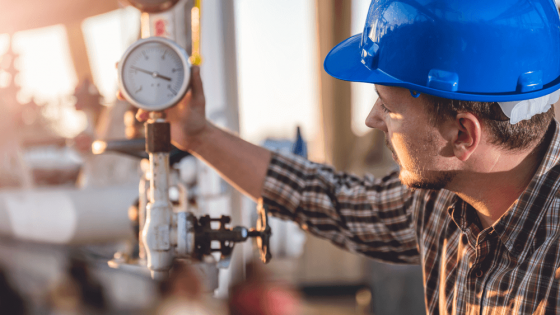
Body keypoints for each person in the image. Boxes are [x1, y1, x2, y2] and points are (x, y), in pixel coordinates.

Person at [134, 0, 560, 313]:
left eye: (388, 105)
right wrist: (197, 135)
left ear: (463, 134)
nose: (373, 119)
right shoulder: (445, 200)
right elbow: (332, 200)